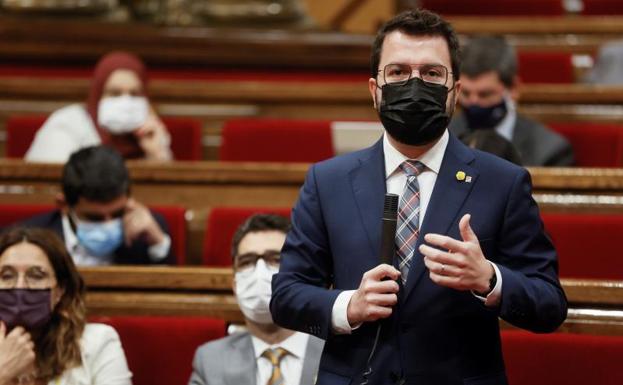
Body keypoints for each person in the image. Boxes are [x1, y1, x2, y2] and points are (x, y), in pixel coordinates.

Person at [270, 9, 567, 385]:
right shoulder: (328, 180)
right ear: (374, 90)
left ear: (454, 91)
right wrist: (349, 305)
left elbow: (550, 303)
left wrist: (489, 279)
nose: (414, 85)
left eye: (430, 73)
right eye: (397, 72)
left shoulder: (502, 181)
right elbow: (286, 296)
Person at [189, 214, 323, 385]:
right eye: (247, 262)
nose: (259, 273)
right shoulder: (210, 360)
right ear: (235, 285)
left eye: (275, 259)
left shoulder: (342, 353)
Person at [0, 227, 132, 385]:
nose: (20, 286)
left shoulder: (97, 343)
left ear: (60, 290)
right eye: (7, 276)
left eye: (36, 275)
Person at [21, 146, 174, 265]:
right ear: (64, 205)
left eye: (117, 213)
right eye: (94, 218)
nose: (108, 224)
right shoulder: (28, 241)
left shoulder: (148, 231)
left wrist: (158, 245)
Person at [448, 35, 574, 167]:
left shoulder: (549, 151)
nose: (473, 102)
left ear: (513, 89)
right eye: (466, 93)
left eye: (485, 94)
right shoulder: (441, 138)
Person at [25, 51, 172, 163]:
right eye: (114, 93)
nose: (126, 102)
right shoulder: (67, 125)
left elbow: (170, 195)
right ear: (97, 95)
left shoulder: (152, 132)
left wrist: (156, 154)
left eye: (134, 94)